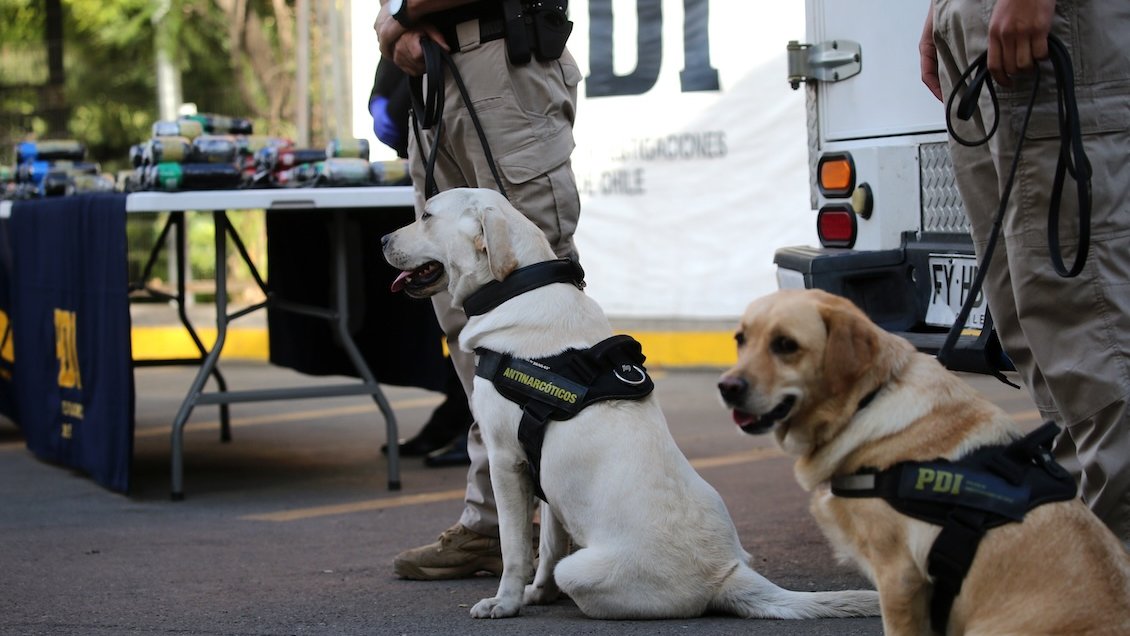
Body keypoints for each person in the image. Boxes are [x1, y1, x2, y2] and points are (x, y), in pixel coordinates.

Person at [375, 0, 583, 578]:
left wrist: (398, 15)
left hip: (504, 62)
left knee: (540, 298)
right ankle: (497, 525)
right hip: (434, 75)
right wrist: (395, 29)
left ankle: (582, 521)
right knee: (463, 312)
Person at [921, 0, 1130, 548]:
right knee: (1032, 323)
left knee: (1092, 326)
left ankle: (1111, 591)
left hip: (1055, 25)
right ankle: (1091, 568)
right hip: (977, 29)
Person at [369, 56, 474, 466]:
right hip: (420, 117)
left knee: (510, 286)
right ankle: (467, 424)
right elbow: (386, 117)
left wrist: (400, 16)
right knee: (455, 307)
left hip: (485, 69)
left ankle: (477, 428)